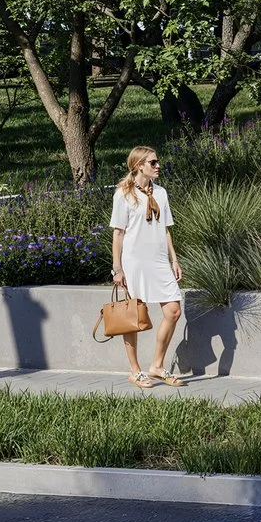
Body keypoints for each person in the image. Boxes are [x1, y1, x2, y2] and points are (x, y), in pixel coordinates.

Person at [108, 146, 184, 388]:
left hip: (159, 260)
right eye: (153, 162)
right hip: (134, 262)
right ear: (139, 165)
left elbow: (165, 229)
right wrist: (117, 269)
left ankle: (157, 366)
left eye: (157, 161)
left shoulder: (160, 193)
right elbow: (118, 234)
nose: (157, 165)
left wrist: (174, 259)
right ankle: (135, 370)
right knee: (133, 316)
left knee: (173, 310)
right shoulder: (123, 194)